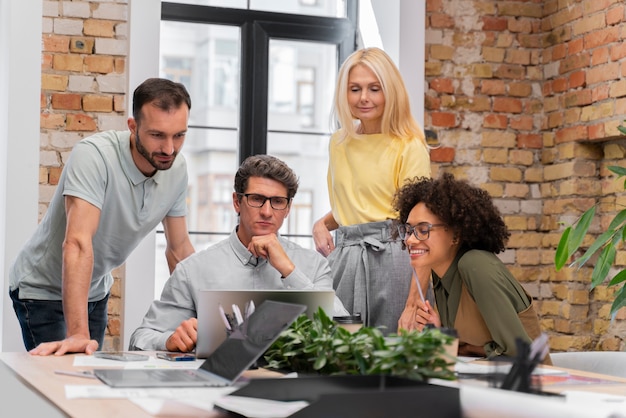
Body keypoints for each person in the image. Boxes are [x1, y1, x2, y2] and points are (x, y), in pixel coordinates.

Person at [9, 78, 196, 356]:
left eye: (179, 135)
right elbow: (78, 243)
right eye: (158, 135)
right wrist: (77, 334)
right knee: (62, 383)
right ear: (133, 127)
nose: (169, 149)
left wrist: (208, 318)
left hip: (95, 291)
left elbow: (179, 249)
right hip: (42, 290)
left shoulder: (177, 169)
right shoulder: (94, 156)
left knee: (85, 380)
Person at [129, 154, 348, 352]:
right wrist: (170, 340)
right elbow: (141, 338)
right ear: (237, 202)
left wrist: (289, 271)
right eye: (256, 199)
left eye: (278, 202)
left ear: (288, 208)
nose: (266, 211)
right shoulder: (193, 270)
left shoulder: (314, 265)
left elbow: (343, 332)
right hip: (215, 387)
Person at [312, 47, 431, 333]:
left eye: (374, 88)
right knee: (338, 351)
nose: (364, 97)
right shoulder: (338, 143)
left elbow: (423, 227)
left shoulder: (409, 145)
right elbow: (358, 202)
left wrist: (414, 302)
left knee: (392, 355)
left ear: (390, 91)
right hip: (346, 256)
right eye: (355, 89)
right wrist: (322, 223)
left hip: (395, 257)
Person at [393, 173, 547, 360]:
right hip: (478, 383)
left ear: (456, 234)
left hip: (527, 385)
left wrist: (461, 347)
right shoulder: (440, 274)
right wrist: (439, 332)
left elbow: (520, 352)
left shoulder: (475, 265)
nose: (410, 240)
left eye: (423, 230)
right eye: (409, 230)